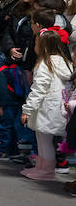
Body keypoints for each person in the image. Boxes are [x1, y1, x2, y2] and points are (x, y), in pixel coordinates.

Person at [20, 29, 73, 181]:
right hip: (57, 107)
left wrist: (27, 109)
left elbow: (39, 89)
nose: (34, 46)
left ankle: (46, 170)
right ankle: (41, 167)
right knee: (44, 140)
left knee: (44, 142)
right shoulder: (65, 62)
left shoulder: (45, 64)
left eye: (36, 43)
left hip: (45, 108)